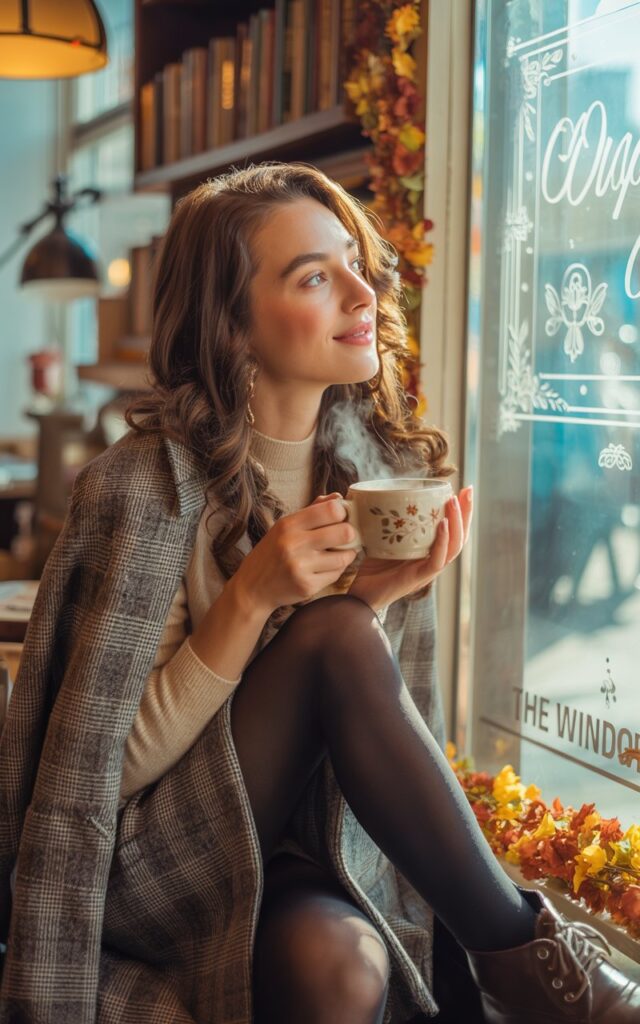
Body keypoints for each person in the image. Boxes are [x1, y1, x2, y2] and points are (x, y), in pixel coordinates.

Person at [0, 162, 638, 1024]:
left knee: (340, 964)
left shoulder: (377, 470)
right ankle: (537, 969)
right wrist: (251, 599)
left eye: (353, 262)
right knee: (336, 633)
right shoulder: (147, 488)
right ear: (234, 325)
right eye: (313, 277)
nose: (360, 291)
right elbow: (97, 775)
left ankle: (525, 972)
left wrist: (376, 599)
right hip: (157, 864)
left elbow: (367, 737)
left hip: (310, 846)